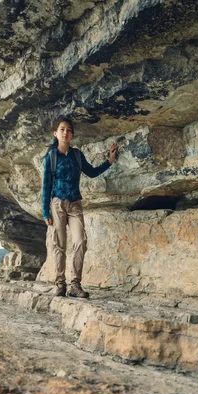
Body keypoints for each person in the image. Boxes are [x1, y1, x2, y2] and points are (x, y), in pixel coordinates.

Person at [42, 116, 119, 298]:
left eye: (69, 130)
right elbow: (46, 186)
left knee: (80, 241)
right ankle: (60, 284)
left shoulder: (77, 155)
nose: (65, 133)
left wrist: (110, 161)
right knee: (59, 244)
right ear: (55, 133)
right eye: (62, 129)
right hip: (57, 203)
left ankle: (75, 285)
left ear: (72, 134)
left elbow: (91, 172)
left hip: (75, 203)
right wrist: (46, 211)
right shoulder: (51, 157)